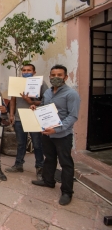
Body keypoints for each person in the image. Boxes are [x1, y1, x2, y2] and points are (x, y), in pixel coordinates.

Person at [31, 65, 80, 206]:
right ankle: (48, 181)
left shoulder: (71, 94)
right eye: (53, 75)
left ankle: (67, 192)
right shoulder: (47, 93)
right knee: (50, 158)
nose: (55, 77)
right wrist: (36, 107)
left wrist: (57, 129)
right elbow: (45, 108)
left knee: (65, 163)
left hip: (62, 135)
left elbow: (73, 116)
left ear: (65, 77)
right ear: (50, 77)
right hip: (47, 133)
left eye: (59, 75)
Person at [5, 64, 48, 180]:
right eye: (24, 70)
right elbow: (13, 100)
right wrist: (12, 114)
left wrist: (30, 101)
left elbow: (46, 100)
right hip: (19, 118)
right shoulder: (17, 83)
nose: (26, 72)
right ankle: (18, 165)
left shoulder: (41, 83)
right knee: (20, 144)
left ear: (34, 72)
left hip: (34, 117)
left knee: (37, 144)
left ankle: (40, 168)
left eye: (29, 70)